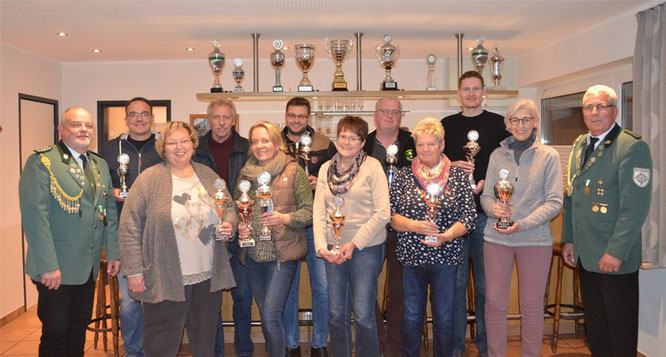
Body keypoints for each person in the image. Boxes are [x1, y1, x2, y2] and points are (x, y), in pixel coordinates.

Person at [119, 121, 237, 357]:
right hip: (164, 276)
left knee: (205, 341)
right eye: (172, 142)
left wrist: (229, 225)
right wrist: (134, 271)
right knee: (161, 342)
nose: (179, 147)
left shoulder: (207, 175)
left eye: (184, 141)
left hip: (207, 275)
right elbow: (129, 226)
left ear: (193, 144)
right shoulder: (148, 179)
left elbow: (230, 206)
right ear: (163, 148)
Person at [19, 106, 120, 356]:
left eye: (88, 126)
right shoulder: (43, 162)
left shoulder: (98, 164)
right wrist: (47, 266)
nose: (84, 130)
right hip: (56, 269)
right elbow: (35, 218)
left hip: (87, 267)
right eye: (76, 124)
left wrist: (114, 253)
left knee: (77, 330)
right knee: (56, 334)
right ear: (61, 129)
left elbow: (108, 212)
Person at [561, 85, 652, 357]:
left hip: (614, 256)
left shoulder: (631, 147)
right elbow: (572, 197)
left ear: (614, 110)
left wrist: (615, 251)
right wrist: (569, 239)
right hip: (586, 253)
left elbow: (634, 208)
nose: (594, 112)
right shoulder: (580, 145)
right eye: (589, 107)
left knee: (619, 328)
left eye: (601, 106)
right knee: (597, 326)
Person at [480, 99, 563, 357]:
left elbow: (555, 202)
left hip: (534, 239)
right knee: (494, 303)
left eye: (526, 119)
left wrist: (522, 224)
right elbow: (485, 197)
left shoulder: (549, 156)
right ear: (508, 125)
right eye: (514, 120)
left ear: (535, 122)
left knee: (531, 306)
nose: (520, 125)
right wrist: (495, 209)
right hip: (496, 238)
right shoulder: (497, 155)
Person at [389, 117, 477, 356]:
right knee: (412, 316)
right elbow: (391, 216)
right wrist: (415, 226)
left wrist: (446, 236)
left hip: (446, 256)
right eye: (420, 144)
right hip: (411, 257)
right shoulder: (403, 176)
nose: (425, 149)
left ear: (442, 144)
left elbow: (469, 218)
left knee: (445, 318)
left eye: (431, 144)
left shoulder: (457, 176)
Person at [441, 70, 509, 357]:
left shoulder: (499, 124)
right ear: (459, 93)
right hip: (454, 216)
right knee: (455, 285)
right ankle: (456, 347)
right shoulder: (446, 125)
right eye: (465, 89)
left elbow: (509, 164)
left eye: (475, 88)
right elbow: (432, 162)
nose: (470, 93)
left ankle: (485, 346)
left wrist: (488, 185)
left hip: (486, 214)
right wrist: (450, 166)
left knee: (485, 285)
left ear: (484, 92)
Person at [314, 116, 391, 357]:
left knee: (363, 313)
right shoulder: (327, 168)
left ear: (362, 142)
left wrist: (354, 243)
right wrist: (320, 248)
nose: (346, 141)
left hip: (365, 248)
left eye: (353, 137)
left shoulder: (373, 167)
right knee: (336, 313)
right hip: (332, 248)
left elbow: (383, 213)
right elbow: (318, 213)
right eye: (343, 136)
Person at [235, 121, 313, 357]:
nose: (260, 146)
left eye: (265, 140)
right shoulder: (245, 174)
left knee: (270, 317)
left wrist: (284, 218)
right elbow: (238, 209)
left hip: (282, 255)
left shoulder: (293, 170)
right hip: (252, 256)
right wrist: (241, 227)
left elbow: (309, 212)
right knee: (267, 317)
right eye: (255, 141)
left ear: (277, 143)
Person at [101, 96, 163, 357]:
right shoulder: (108, 149)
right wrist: (111, 191)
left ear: (152, 118)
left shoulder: (163, 146)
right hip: (125, 233)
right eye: (134, 114)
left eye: (144, 114)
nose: (139, 119)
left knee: (159, 298)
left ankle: (157, 349)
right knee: (129, 301)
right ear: (126, 119)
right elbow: (97, 187)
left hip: (159, 234)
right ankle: (134, 351)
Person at [193, 98, 253, 357]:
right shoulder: (195, 150)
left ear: (234, 120)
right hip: (207, 236)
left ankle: (244, 351)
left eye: (226, 117)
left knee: (242, 299)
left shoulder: (248, 149)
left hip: (241, 233)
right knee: (211, 303)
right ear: (209, 120)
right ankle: (214, 352)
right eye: (216, 117)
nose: (220, 122)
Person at [281, 97, 336, 357]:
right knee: (288, 287)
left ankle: (319, 344)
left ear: (308, 117)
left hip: (317, 222)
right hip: (287, 224)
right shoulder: (274, 142)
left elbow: (340, 176)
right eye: (292, 115)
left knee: (322, 286)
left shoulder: (324, 144)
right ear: (286, 115)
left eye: (301, 116)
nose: (296, 120)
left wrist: (320, 183)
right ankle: (291, 344)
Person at [363, 97, 415, 357]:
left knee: (399, 291)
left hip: (402, 229)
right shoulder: (364, 145)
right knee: (365, 289)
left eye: (395, 112)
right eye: (385, 111)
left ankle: (394, 348)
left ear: (400, 116)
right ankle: (377, 343)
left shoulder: (413, 144)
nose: (390, 116)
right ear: (375, 115)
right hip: (370, 227)